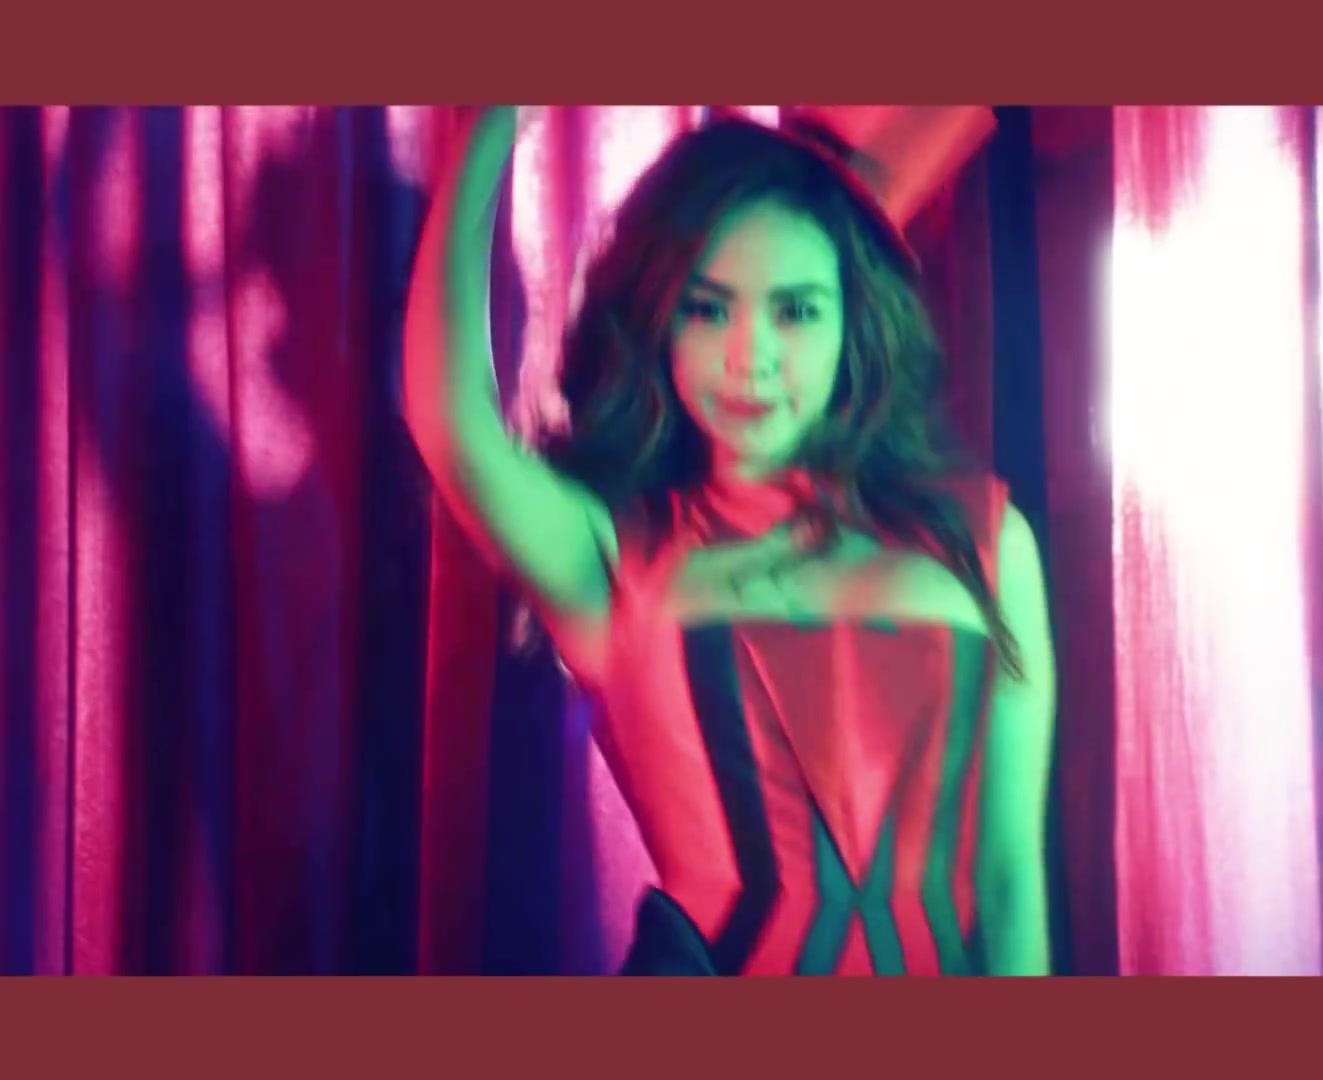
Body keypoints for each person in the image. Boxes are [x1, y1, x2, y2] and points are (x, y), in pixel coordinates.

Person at [402, 106, 1056, 975]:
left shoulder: (985, 536)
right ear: (659, 325)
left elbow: (1010, 881)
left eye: (796, 311)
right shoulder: (619, 557)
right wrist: (493, 116)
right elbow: (453, 425)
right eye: (708, 310)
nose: (750, 358)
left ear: (854, 322)